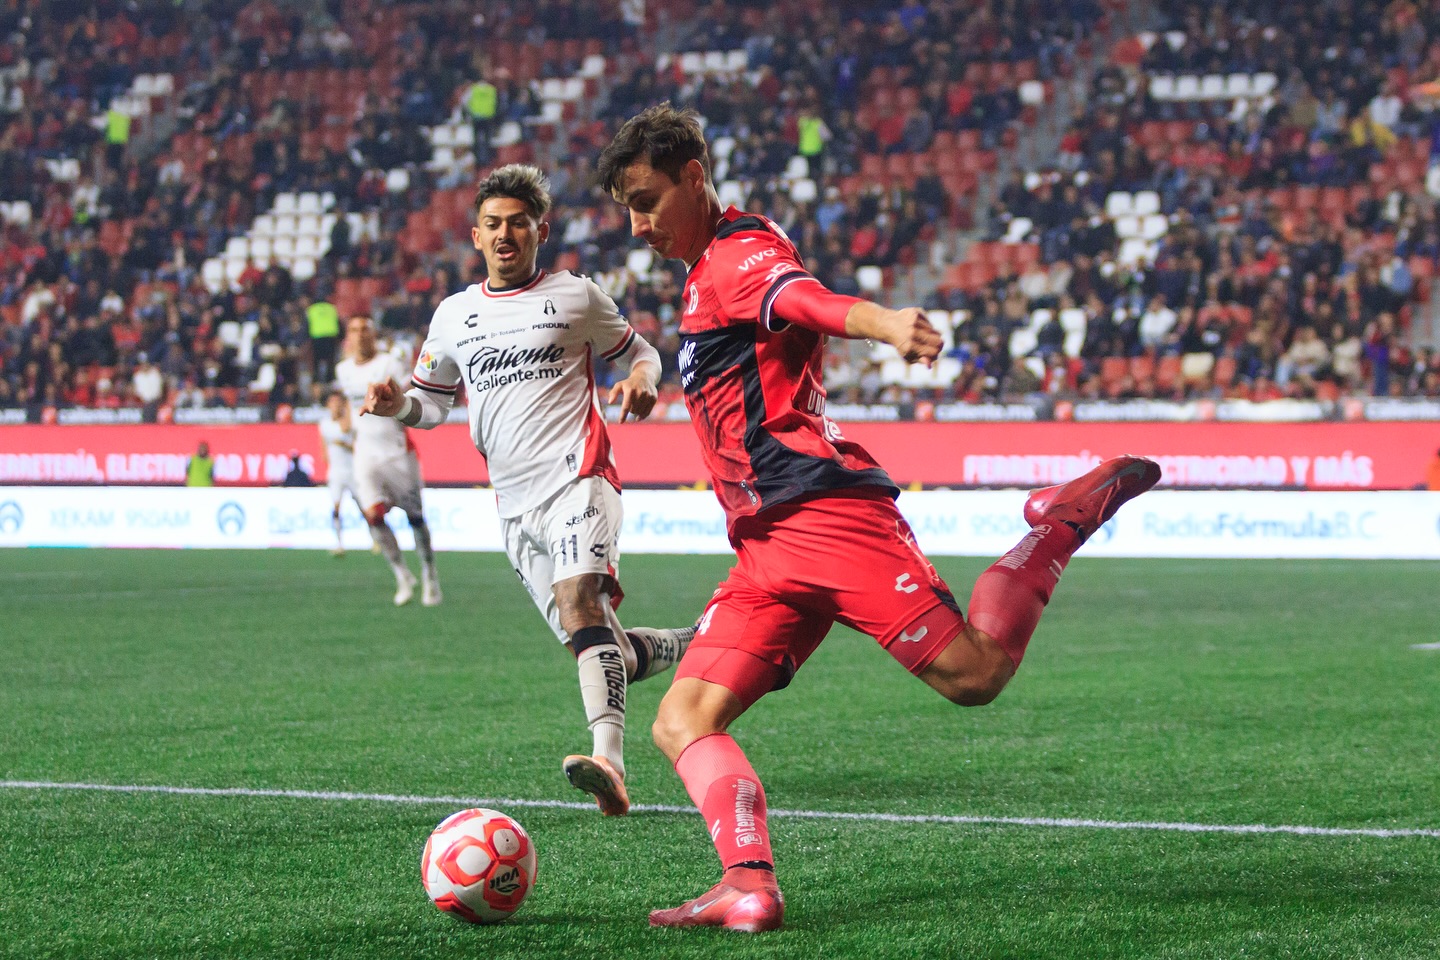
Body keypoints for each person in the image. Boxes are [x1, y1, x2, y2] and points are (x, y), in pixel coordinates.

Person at [598, 103, 1162, 933]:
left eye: (647, 199)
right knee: (682, 721)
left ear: (694, 176)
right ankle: (747, 885)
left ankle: (1058, 521)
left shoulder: (737, 254)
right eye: (627, 210)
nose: (639, 223)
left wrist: (886, 323)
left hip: (821, 518)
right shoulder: (704, 274)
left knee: (975, 675)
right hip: (764, 548)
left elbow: (807, 300)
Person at [362, 164, 695, 815]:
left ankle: (610, 761)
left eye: (519, 223)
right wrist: (396, 405)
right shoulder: (453, 316)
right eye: (494, 224)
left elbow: (641, 352)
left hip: (580, 479)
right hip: (513, 510)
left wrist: (646, 381)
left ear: (541, 230)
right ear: (476, 235)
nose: (506, 234)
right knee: (604, 651)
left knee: (580, 604)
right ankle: (695, 641)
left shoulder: (576, 296)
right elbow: (431, 408)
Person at [334, 315, 442, 607]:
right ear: (349, 336)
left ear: (374, 335)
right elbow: (349, 401)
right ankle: (402, 575)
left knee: (415, 519)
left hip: (396, 450)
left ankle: (429, 575)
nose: (360, 335)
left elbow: (407, 395)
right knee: (374, 516)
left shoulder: (389, 364)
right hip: (365, 453)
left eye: (365, 330)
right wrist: (346, 418)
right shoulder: (342, 370)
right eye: (354, 330)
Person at [317, 389, 367, 556]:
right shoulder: (324, 424)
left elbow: (351, 440)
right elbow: (324, 447)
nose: (335, 406)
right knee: (336, 507)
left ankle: (375, 539)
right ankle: (339, 543)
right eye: (332, 403)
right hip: (336, 473)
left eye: (338, 403)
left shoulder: (348, 423)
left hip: (352, 471)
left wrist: (343, 444)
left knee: (364, 507)